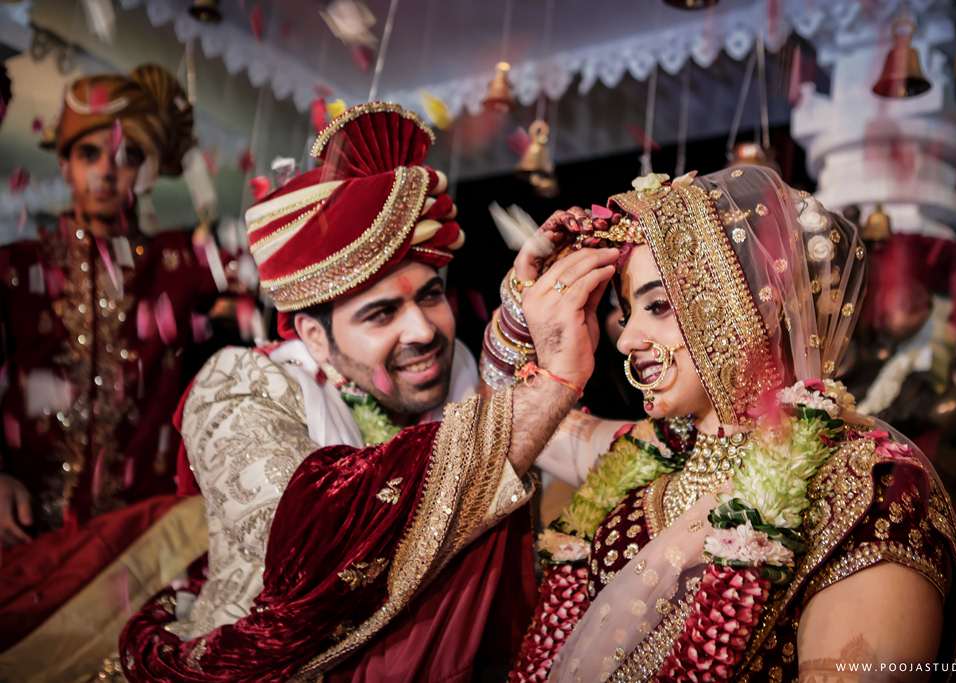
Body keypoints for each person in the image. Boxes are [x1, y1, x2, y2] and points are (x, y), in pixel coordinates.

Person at [111, 102, 618, 682]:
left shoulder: (452, 373)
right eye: (381, 314)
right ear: (315, 338)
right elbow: (315, 542)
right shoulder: (240, 388)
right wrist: (551, 383)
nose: (423, 330)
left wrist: (522, 325)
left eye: (430, 296)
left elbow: (544, 435)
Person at [506, 167, 956, 681]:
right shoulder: (654, 452)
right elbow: (511, 436)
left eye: (658, 306)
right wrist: (522, 313)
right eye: (626, 312)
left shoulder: (864, 484)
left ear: (740, 307)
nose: (627, 339)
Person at [0, 64, 232, 675]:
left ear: (146, 172)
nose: (107, 170)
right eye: (88, 153)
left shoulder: (177, 262)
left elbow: (278, 266)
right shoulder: (14, 268)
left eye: (127, 156)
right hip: (27, 544)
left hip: (141, 548)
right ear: (64, 163)